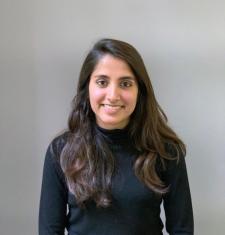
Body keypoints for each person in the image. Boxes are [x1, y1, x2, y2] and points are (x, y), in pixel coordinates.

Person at [39, 38, 194, 235]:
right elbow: (49, 230)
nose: (113, 95)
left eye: (125, 83)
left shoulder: (166, 151)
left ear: (140, 90)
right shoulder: (61, 151)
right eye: (102, 82)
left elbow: (182, 229)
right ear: (87, 88)